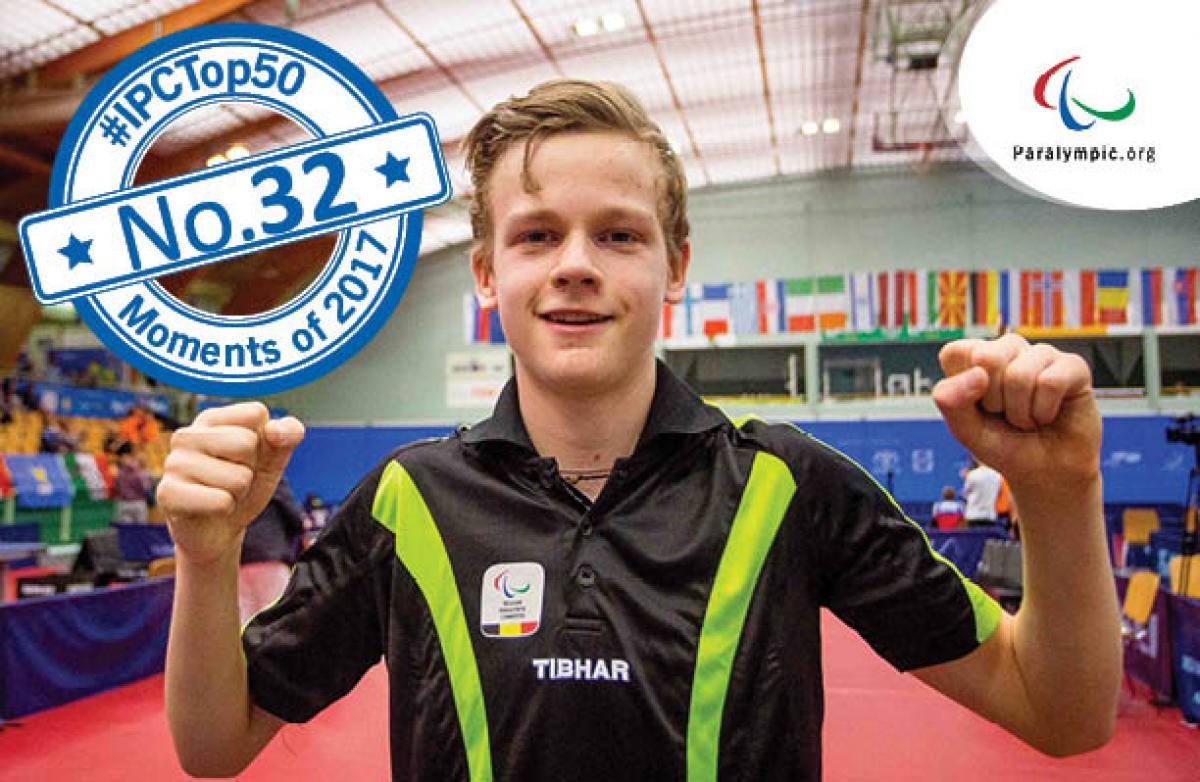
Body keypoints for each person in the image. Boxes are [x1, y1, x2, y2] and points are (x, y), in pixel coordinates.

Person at [159, 80, 1120, 779]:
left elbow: (1060, 712)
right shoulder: (410, 499)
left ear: (675, 267)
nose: (577, 265)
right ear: (488, 273)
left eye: (619, 234)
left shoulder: (786, 484)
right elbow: (215, 743)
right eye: (537, 234)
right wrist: (206, 562)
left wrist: (1059, 491)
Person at [238, 478, 307, 624]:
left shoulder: (222, 483)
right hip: (271, 561)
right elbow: (294, 516)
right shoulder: (269, 474)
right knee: (282, 622)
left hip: (237, 564)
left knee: (243, 624)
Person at [112, 448, 153, 523]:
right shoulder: (144, 473)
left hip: (123, 503)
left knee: (126, 530)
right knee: (141, 530)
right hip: (138, 503)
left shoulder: (120, 472)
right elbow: (147, 489)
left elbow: (116, 487)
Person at [963, 457, 1004, 528]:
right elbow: (999, 493)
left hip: (974, 515)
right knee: (989, 539)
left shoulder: (972, 474)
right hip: (990, 515)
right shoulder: (997, 475)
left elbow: (966, 493)